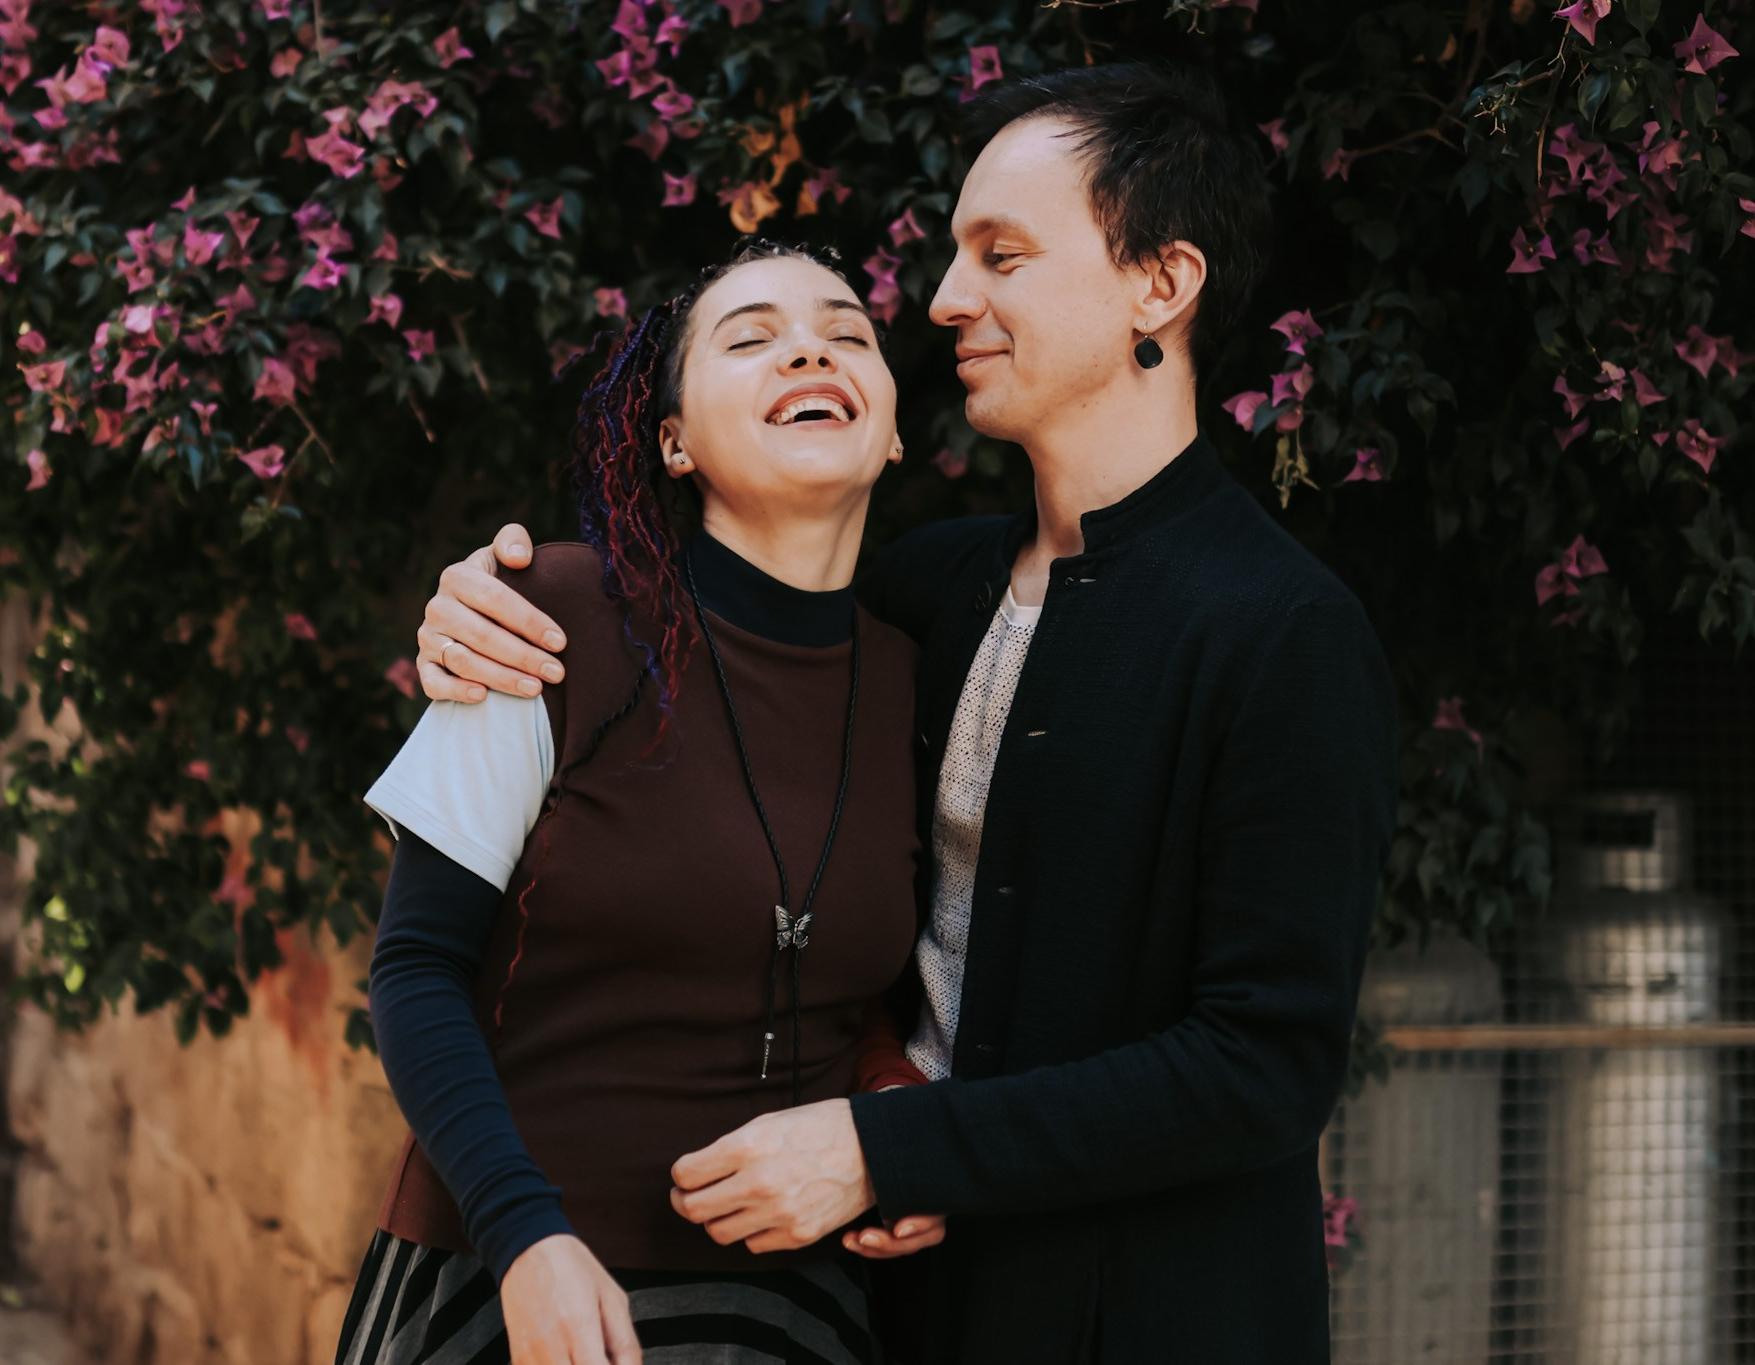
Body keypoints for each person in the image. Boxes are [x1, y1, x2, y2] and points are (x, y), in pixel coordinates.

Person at [407, 63, 1401, 1363]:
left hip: (1148, 1315)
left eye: (1003, 256)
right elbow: (725, 573)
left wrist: (884, 1142)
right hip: (895, 1307)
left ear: (1160, 284)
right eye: (953, 257)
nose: (944, 301)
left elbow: (1263, 1065)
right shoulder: (929, 589)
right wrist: (487, 597)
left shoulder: (1285, 633)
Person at [339, 240, 948, 1365]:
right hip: (512, 1289)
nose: (807, 345)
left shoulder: (915, 683)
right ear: (672, 441)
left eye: (844, 331)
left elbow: (847, 990)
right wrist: (527, 1238)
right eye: (750, 337)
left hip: (786, 1315)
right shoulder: (542, 621)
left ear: (895, 424)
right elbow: (414, 971)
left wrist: (892, 1116)